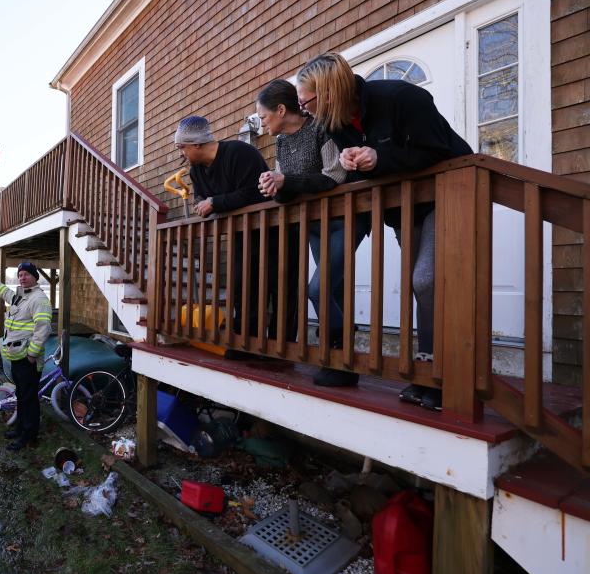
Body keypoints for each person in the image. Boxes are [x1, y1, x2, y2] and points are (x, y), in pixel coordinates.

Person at [296, 52, 472, 402]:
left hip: (450, 196)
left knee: (426, 280)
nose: (305, 110)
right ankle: (428, 376)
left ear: (329, 93)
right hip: (406, 210)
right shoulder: (335, 125)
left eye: (306, 102)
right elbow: (368, 163)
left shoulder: (403, 98)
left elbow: (439, 150)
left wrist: (379, 156)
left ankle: (447, 377)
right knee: (423, 286)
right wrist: (353, 161)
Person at [255, 79, 369, 385]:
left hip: (346, 219)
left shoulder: (321, 128)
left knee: (316, 289)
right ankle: (341, 366)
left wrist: (286, 182)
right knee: (333, 291)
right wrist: (272, 187)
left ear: (281, 110)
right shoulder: (280, 142)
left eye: (264, 117)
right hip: (314, 226)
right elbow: (286, 187)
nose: (263, 124)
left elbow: (333, 176)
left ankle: (340, 349)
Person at [175, 115, 273, 342]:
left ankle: (273, 345)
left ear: (197, 143)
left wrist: (214, 203)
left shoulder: (239, 153)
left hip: (268, 230)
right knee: (239, 284)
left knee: (267, 286)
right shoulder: (195, 171)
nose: (181, 153)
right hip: (238, 233)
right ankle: (242, 340)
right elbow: (201, 196)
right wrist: (204, 203)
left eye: (182, 147)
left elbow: (253, 192)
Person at [0, 261, 52, 450]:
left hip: (28, 359)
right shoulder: (21, 296)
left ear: (35, 277)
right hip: (17, 357)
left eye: (26, 274)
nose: (22, 277)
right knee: (21, 396)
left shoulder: (39, 299)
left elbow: (43, 329)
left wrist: (32, 355)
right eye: (20, 275)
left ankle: (28, 436)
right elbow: (9, 295)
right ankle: (20, 429)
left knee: (29, 399)